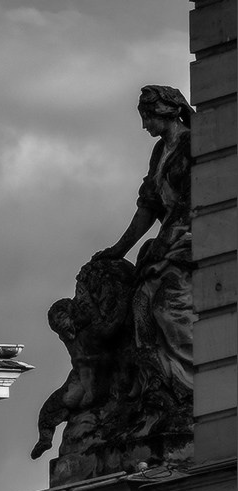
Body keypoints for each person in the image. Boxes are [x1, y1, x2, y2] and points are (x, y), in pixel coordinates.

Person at [92, 85, 193, 404]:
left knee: (167, 308)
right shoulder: (159, 151)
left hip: (193, 237)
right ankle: (161, 386)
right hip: (170, 239)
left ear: (166, 112)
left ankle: (195, 383)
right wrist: (119, 249)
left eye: (147, 117)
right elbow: (149, 204)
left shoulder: (194, 143)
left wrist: (163, 244)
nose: (144, 125)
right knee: (139, 305)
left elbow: (191, 201)